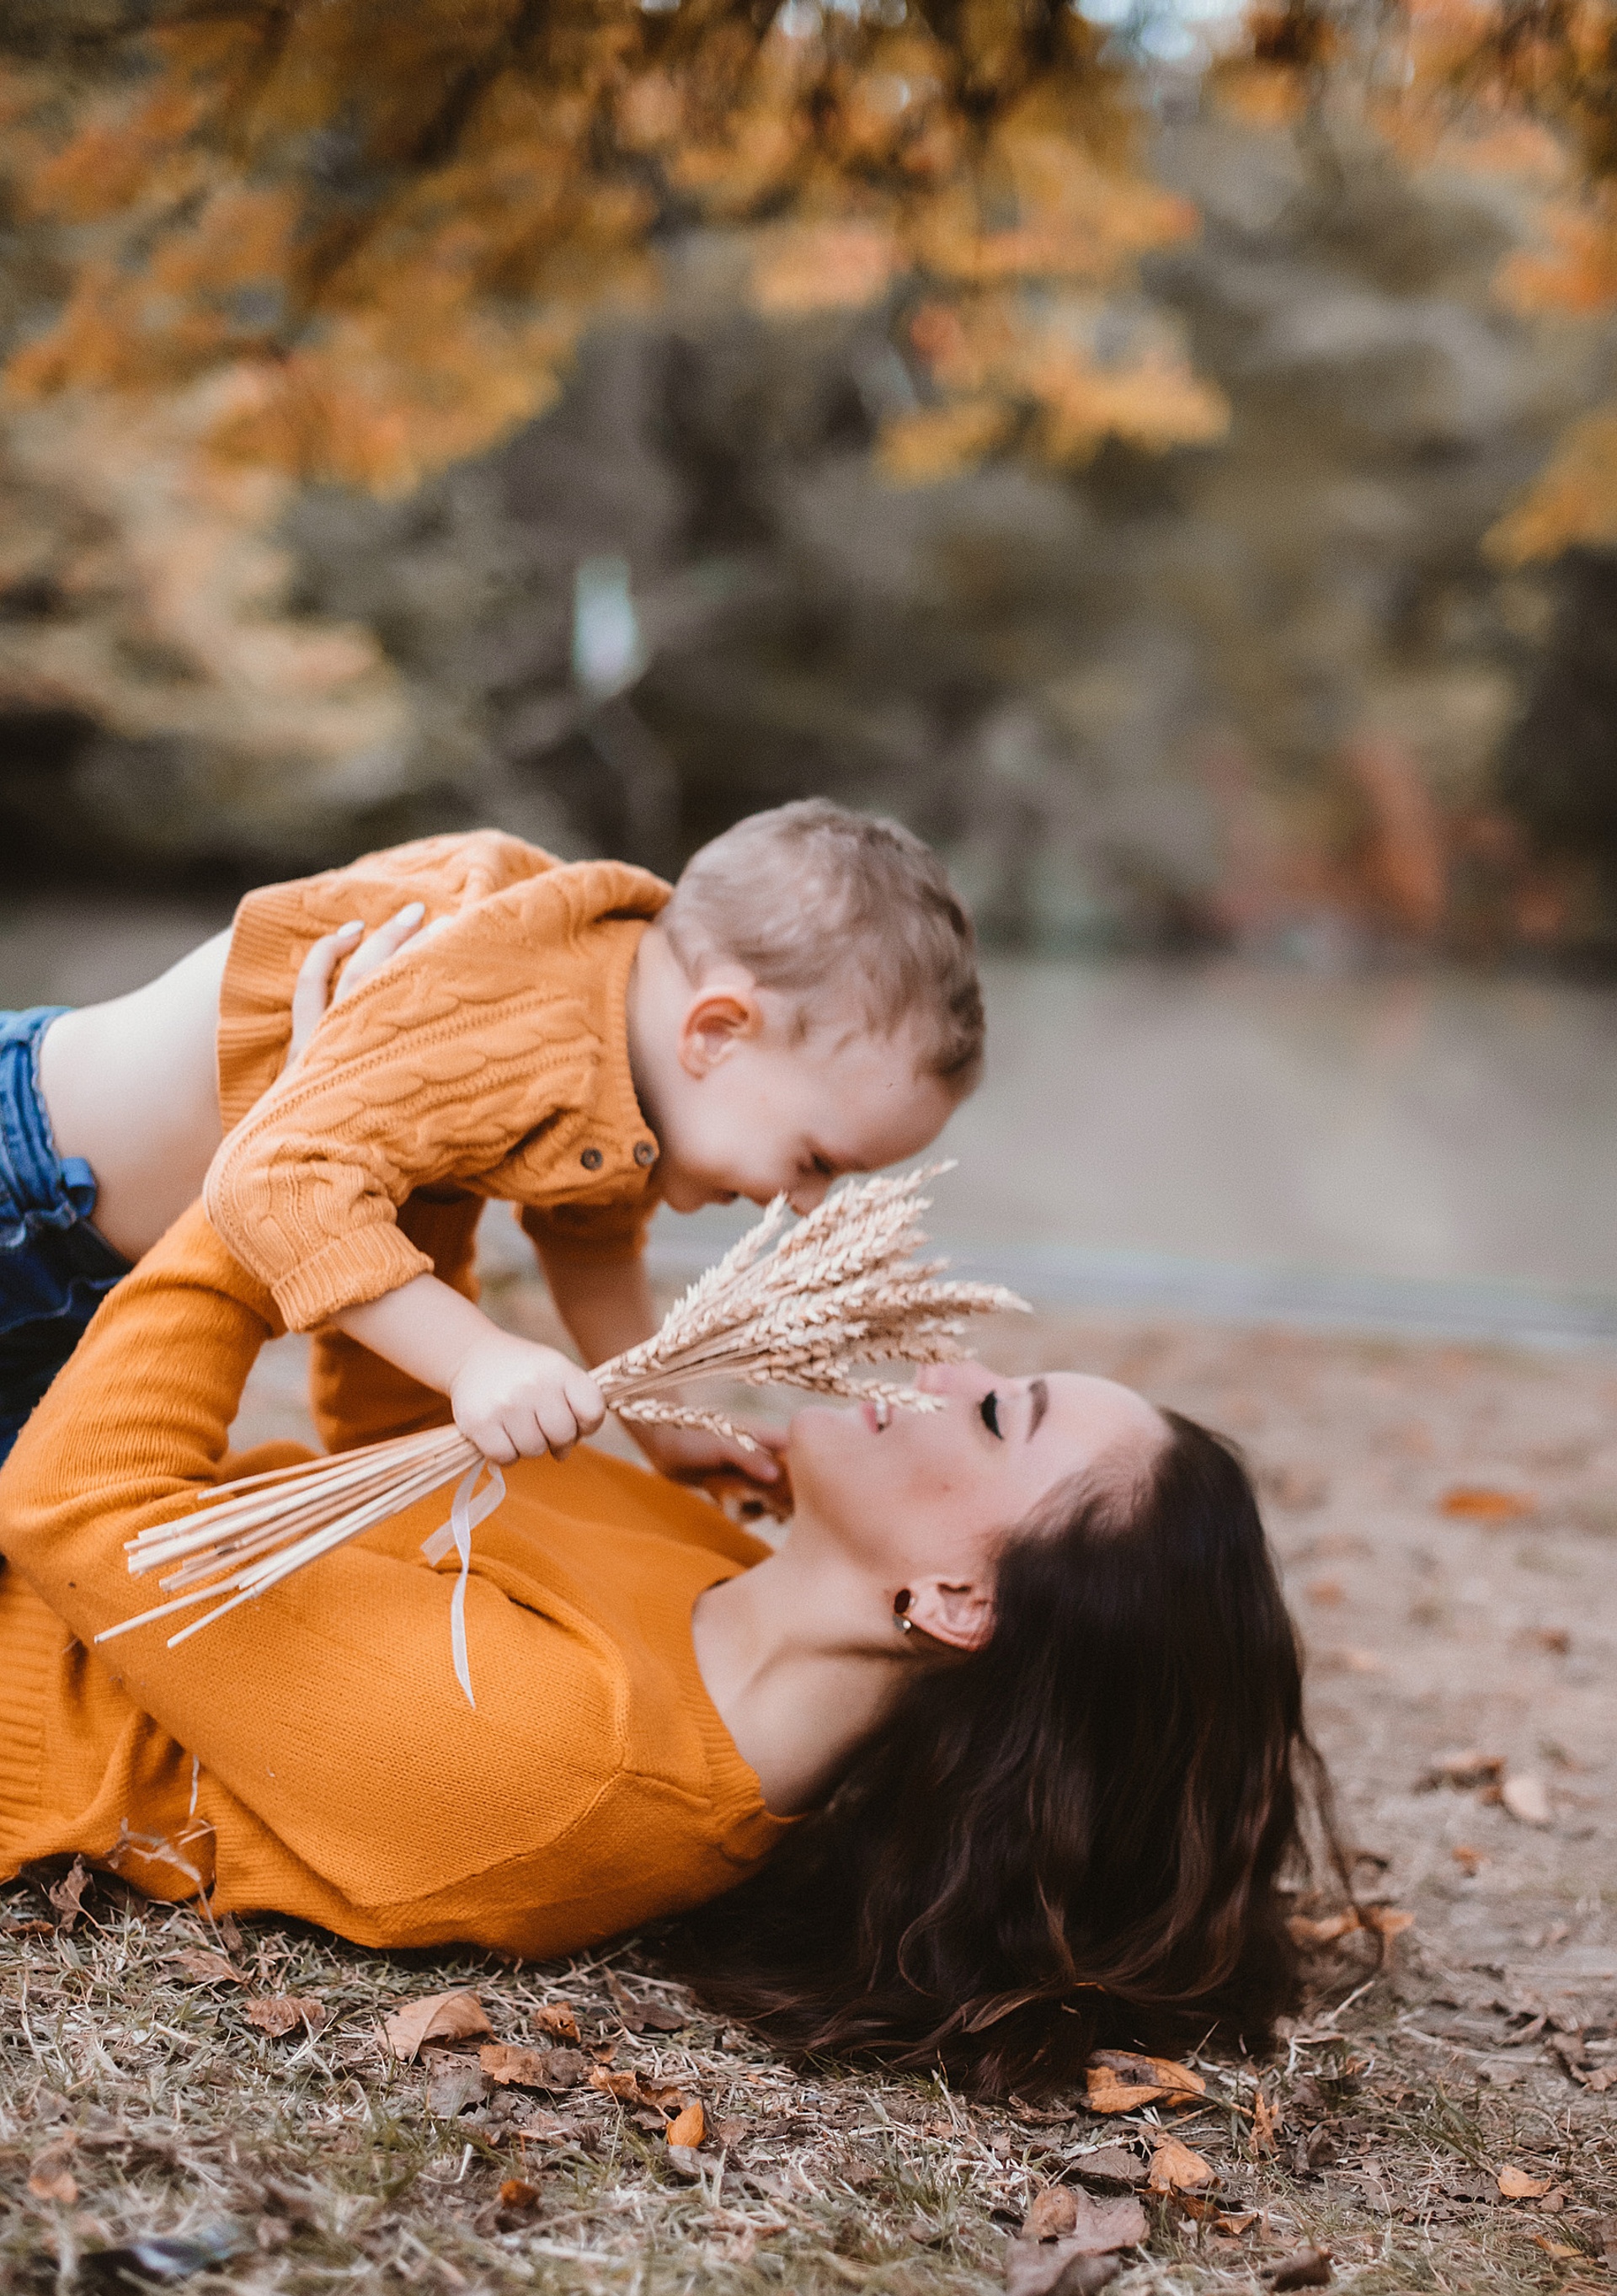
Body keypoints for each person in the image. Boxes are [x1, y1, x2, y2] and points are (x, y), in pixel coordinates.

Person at [0, 1192, 1335, 2096]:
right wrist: (433, 1148)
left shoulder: (563, 1766)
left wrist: (270, 1185)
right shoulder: (717, 1564)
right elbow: (394, 1436)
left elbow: (83, 1509)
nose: (942, 1371)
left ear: (956, 1601)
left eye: (995, 1419)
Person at [0, 802, 983, 1478]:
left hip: (92, 1264)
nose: (806, 1204)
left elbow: (589, 1243)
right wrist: (477, 1360)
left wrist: (664, 1428)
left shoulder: (628, 1062)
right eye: (817, 1162)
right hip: (27, 1185)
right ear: (716, 1032)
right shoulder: (520, 1010)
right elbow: (277, 1181)